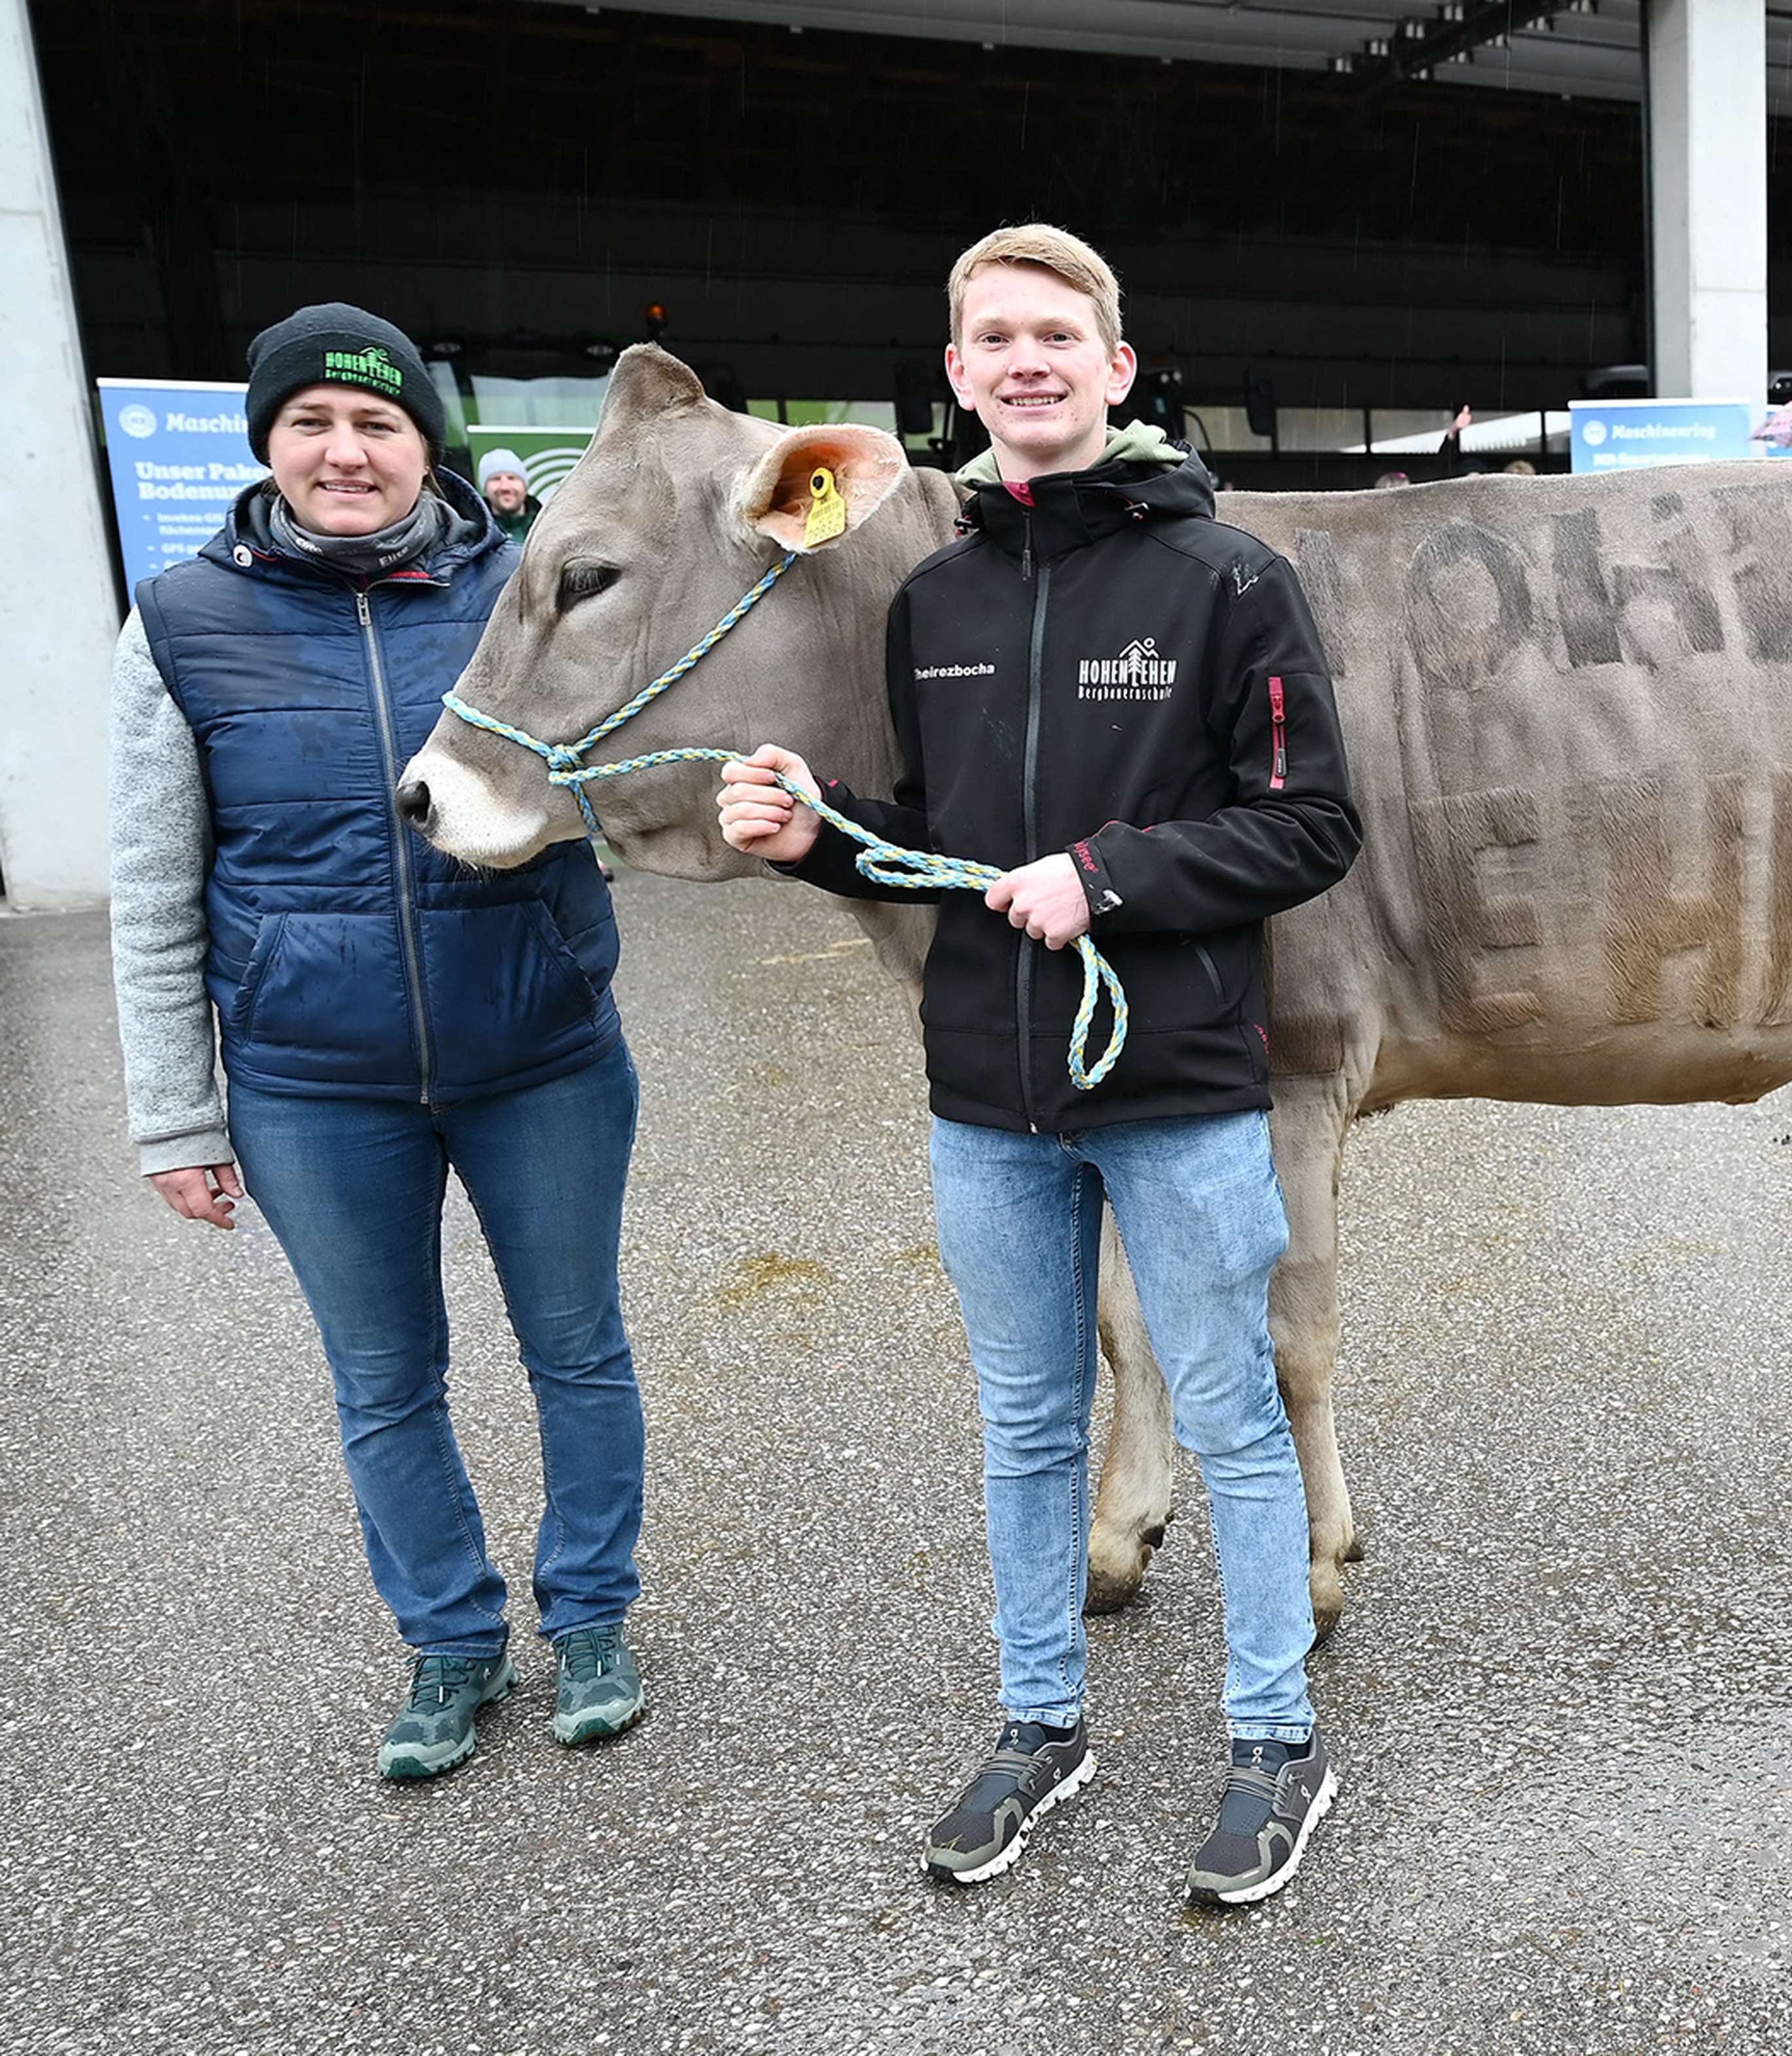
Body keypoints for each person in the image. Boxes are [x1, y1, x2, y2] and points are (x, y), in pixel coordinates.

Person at [716, 225, 1361, 1906]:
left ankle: (1275, 1735)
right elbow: (939, 840)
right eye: (994, 337)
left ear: (1115, 367)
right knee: (1023, 1424)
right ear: (956, 374)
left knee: (1228, 1415)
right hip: (987, 1098)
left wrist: (1108, 877)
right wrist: (812, 835)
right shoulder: (934, 598)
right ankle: (1040, 1720)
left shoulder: (1227, 579)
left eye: (1057, 335)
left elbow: (1311, 824)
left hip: (1176, 1085)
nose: (1026, 360)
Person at [107, 303, 647, 1782]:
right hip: (313, 1085)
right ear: (267, 444)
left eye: (377, 424)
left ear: (426, 445)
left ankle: (591, 1614)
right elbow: (153, 891)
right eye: (311, 424)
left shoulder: (523, 585)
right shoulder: (180, 622)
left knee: (577, 1347)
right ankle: (451, 1638)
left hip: (540, 1053)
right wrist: (177, 1116)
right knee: (383, 1377)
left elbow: (633, 767)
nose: (345, 452)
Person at [476, 447, 541, 541]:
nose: (505, 487)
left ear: (525, 486)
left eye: (511, 478)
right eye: (496, 479)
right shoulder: (474, 532)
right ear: (485, 489)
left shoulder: (547, 523)